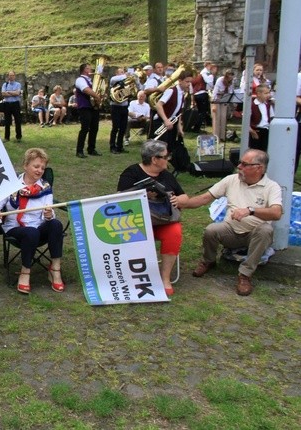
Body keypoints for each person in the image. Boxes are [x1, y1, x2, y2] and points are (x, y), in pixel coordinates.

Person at [182, 149, 282, 296]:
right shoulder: (231, 180)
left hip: (254, 235)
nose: (239, 167)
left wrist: (250, 210)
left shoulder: (272, 187)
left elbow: (276, 212)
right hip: (230, 230)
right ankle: (208, 261)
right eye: (239, 162)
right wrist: (182, 204)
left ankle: (245, 275)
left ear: (258, 168)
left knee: (265, 230)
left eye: (244, 164)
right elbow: (205, 198)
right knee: (211, 230)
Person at [0, 148, 65, 294]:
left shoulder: (45, 187)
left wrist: (49, 214)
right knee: (31, 232)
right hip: (15, 228)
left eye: (42, 168)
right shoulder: (11, 184)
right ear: (25, 165)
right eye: (36, 166)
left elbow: (49, 212)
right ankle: (25, 272)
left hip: (38, 227)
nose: (40, 170)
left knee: (55, 224)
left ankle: (55, 268)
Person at [117, 140, 189, 295]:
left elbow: (184, 196)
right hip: (137, 220)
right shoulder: (131, 173)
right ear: (155, 159)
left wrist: (180, 200)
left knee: (175, 231)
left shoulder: (167, 176)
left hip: (163, 220)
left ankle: (165, 278)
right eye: (165, 156)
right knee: (130, 229)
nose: (168, 159)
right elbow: (120, 200)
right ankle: (134, 276)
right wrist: (142, 194)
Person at [151, 71, 192, 155]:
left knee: (170, 145)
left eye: (190, 82)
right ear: (180, 81)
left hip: (171, 122)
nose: (189, 84)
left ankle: (166, 162)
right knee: (160, 147)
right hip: (161, 121)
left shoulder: (183, 94)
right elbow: (159, 105)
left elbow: (179, 113)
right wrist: (165, 120)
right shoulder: (171, 91)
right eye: (187, 82)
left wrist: (179, 127)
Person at [75, 63, 102, 158]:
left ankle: (91, 149)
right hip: (85, 107)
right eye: (88, 68)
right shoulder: (80, 79)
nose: (90, 69)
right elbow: (86, 90)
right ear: (83, 70)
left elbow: (96, 90)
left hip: (93, 107)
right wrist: (97, 96)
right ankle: (79, 150)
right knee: (85, 128)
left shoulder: (91, 81)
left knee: (94, 128)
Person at [190, 61, 216, 133]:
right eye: (210, 65)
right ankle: (196, 128)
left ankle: (200, 125)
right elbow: (209, 83)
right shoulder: (204, 74)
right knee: (203, 112)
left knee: (201, 112)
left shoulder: (194, 78)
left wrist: (193, 99)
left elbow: (191, 89)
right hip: (202, 93)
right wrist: (212, 75)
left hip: (196, 94)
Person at [211, 69, 235, 142]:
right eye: (229, 75)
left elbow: (231, 91)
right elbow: (215, 91)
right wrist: (214, 103)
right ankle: (216, 137)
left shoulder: (231, 82)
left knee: (223, 117)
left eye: (232, 75)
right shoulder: (220, 80)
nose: (231, 77)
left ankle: (222, 137)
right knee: (217, 118)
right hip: (217, 99)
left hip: (225, 99)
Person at [109, 68, 129, 154]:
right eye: (120, 73)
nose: (122, 74)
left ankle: (120, 146)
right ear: (116, 73)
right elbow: (113, 79)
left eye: (123, 72)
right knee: (115, 127)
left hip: (124, 107)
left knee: (123, 128)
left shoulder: (126, 83)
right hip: (115, 107)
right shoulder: (114, 80)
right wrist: (126, 76)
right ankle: (112, 146)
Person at [249, 84, 274, 152]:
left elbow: (271, 117)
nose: (268, 95)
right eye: (266, 93)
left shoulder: (268, 105)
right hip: (256, 131)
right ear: (259, 94)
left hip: (266, 130)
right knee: (255, 150)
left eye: (269, 93)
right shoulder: (252, 105)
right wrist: (251, 131)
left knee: (263, 150)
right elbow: (246, 120)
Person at [1, 70, 23, 142]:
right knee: (7, 121)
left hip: (15, 104)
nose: (11, 77)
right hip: (7, 104)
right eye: (10, 75)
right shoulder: (5, 84)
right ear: (8, 76)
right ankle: (7, 137)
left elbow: (17, 93)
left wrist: (9, 92)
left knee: (17, 120)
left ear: (15, 76)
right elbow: (3, 94)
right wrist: (13, 93)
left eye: (12, 75)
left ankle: (18, 137)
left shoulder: (18, 84)